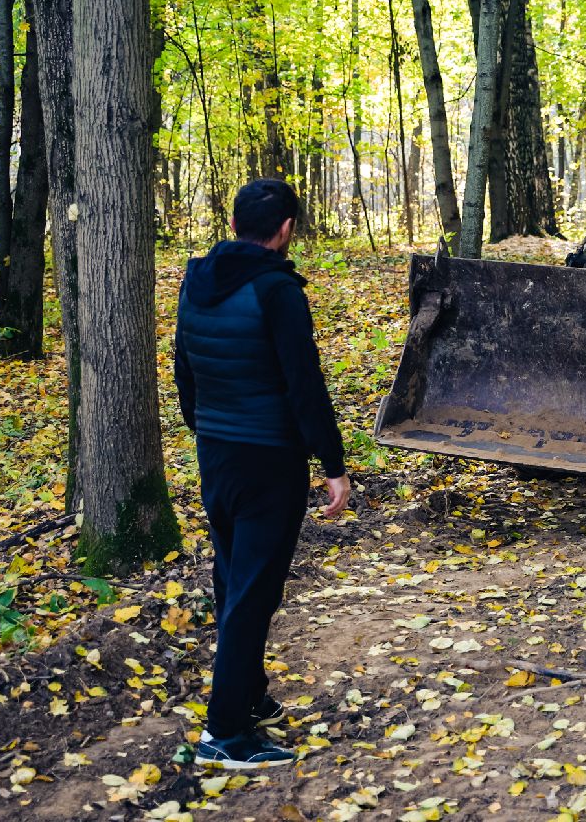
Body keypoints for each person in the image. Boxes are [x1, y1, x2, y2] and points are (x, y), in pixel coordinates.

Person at [173, 179, 351, 770]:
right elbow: (305, 385)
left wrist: (206, 429)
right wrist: (333, 466)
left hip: (218, 452)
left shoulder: (195, 282)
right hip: (268, 458)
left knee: (235, 580)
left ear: (236, 225)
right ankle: (224, 731)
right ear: (284, 229)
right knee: (252, 593)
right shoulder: (278, 290)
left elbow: (185, 371)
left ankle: (247, 696)